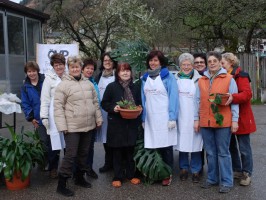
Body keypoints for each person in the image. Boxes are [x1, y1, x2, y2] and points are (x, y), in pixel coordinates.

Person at [54, 56, 103, 197]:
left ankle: (79, 178)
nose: (75, 69)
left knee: (84, 153)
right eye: (72, 67)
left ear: (81, 68)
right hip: (72, 127)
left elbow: (95, 103)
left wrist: (98, 119)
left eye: (77, 66)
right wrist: (62, 126)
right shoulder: (63, 85)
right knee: (70, 155)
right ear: (69, 68)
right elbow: (58, 107)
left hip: (88, 125)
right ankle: (61, 184)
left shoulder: (88, 84)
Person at [194, 51, 239, 193]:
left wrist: (235, 120)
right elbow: (197, 101)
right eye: (210, 61)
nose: (212, 63)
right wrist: (197, 119)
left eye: (215, 61)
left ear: (220, 62)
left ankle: (226, 181)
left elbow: (234, 102)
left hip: (223, 122)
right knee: (211, 153)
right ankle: (212, 179)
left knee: (223, 152)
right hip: (205, 122)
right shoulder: (202, 80)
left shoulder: (229, 79)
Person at [141, 50, 179, 186]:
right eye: (151, 60)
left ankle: (167, 174)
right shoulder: (144, 78)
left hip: (165, 118)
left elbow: (174, 98)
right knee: (153, 147)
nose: (153, 63)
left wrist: (172, 117)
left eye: (156, 60)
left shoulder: (168, 77)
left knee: (166, 147)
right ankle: (155, 172)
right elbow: (143, 100)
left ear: (161, 62)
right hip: (151, 119)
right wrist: (143, 118)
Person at [101, 62, 141, 188]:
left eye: (127, 71)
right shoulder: (112, 87)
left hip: (132, 123)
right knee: (117, 151)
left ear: (131, 73)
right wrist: (114, 107)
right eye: (122, 71)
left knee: (130, 150)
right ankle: (118, 176)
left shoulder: (135, 87)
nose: (125, 73)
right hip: (116, 124)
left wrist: (139, 108)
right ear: (117, 73)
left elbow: (139, 103)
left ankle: (130, 175)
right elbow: (104, 103)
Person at [221, 52, 256, 186]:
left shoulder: (241, 75)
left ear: (230, 62)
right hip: (228, 117)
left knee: (244, 148)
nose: (221, 65)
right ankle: (236, 170)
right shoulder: (224, 76)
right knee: (231, 146)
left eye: (223, 63)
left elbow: (247, 94)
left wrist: (232, 97)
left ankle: (247, 173)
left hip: (242, 117)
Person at [174, 53, 203, 183]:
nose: (186, 67)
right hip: (180, 116)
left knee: (196, 143)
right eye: (183, 64)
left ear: (193, 66)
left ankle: (196, 170)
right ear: (180, 66)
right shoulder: (174, 79)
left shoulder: (200, 79)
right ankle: (183, 168)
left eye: (189, 64)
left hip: (194, 116)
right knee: (182, 143)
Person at [40, 53, 66, 179]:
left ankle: (67, 168)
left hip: (67, 115)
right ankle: (53, 168)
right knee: (54, 144)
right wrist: (44, 117)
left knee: (69, 143)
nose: (59, 67)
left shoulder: (68, 76)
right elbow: (44, 99)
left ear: (64, 64)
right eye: (56, 65)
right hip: (53, 115)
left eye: (61, 64)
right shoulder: (48, 78)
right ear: (53, 66)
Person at [21, 61, 47, 168]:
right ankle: (44, 163)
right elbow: (25, 104)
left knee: (54, 142)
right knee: (43, 141)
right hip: (38, 119)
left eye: (33, 71)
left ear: (37, 71)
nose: (31, 73)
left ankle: (53, 166)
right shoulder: (25, 87)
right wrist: (31, 118)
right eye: (29, 71)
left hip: (50, 116)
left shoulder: (45, 81)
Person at [95, 52, 117, 173]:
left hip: (114, 111)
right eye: (105, 60)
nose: (107, 62)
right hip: (102, 112)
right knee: (105, 138)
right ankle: (108, 162)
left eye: (109, 60)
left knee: (114, 137)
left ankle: (116, 162)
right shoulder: (98, 77)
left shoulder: (117, 75)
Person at [82, 58, 101, 179]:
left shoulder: (93, 82)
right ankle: (78, 171)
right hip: (81, 119)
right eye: (87, 68)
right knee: (80, 147)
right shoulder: (79, 81)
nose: (89, 70)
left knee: (90, 146)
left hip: (92, 119)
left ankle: (89, 168)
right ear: (82, 69)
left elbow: (96, 101)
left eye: (92, 69)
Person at [192, 53, 207, 173]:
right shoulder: (190, 76)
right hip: (196, 115)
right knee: (198, 143)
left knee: (209, 145)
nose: (199, 64)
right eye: (196, 62)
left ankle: (213, 170)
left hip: (208, 114)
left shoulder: (209, 76)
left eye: (201, 62)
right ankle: (199, 167)